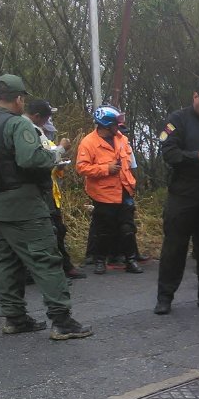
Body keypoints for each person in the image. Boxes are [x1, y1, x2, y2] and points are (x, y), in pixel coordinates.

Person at [0, 74, 92, 339]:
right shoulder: (17, 124)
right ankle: (62, 321)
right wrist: (55, 155)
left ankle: (15, 318)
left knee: (6, 262)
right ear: (19, 99)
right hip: (24, 205)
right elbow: (31, 159)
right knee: (46, 259)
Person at [153, 78, 199, 315]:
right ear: (195, 96)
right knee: (175, 247)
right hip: (183, 193)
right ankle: (165, 297)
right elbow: (169, 152)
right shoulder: (177, 120)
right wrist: (197, 156)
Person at [75, 105, 143, 275]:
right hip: (103, 194)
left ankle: (131, 260)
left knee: (127, 228)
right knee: (104, 230)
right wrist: (106, 168)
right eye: (115, 123)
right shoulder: (88, 142)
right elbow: (82, 168)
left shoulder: (122, 139)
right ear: (105, 125)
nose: (119, 126)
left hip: (124, 190)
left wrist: (133, 183)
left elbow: (130, 164)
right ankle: (100, 261)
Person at [24, 99, 85, 280]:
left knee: (58, 228)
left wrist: (59, 165)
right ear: (37, 117)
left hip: (50, 190)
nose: (49, 122)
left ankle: (64, 267)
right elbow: (39, 160)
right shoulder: (28, 130)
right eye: (47, 118)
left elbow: (49, 162)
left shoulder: (39, 131)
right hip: (38, 192)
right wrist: (61, 149)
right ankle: (49, 272)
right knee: (49, 231)